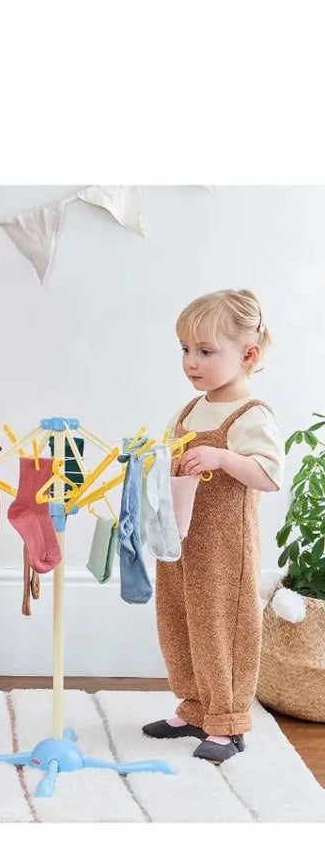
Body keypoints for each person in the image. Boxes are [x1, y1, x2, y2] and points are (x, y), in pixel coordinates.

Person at [142, 289, 284, 763]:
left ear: (248, 355)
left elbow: (268, 476)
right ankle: (195, 704)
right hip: (181, 542)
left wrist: (225, 457)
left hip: (224, 550)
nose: (190, 362)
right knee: (179, 622)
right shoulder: (188, 412)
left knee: (224, 627)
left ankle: (228, 719)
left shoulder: (251, 415)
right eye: (185, 350)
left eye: (205, 351)